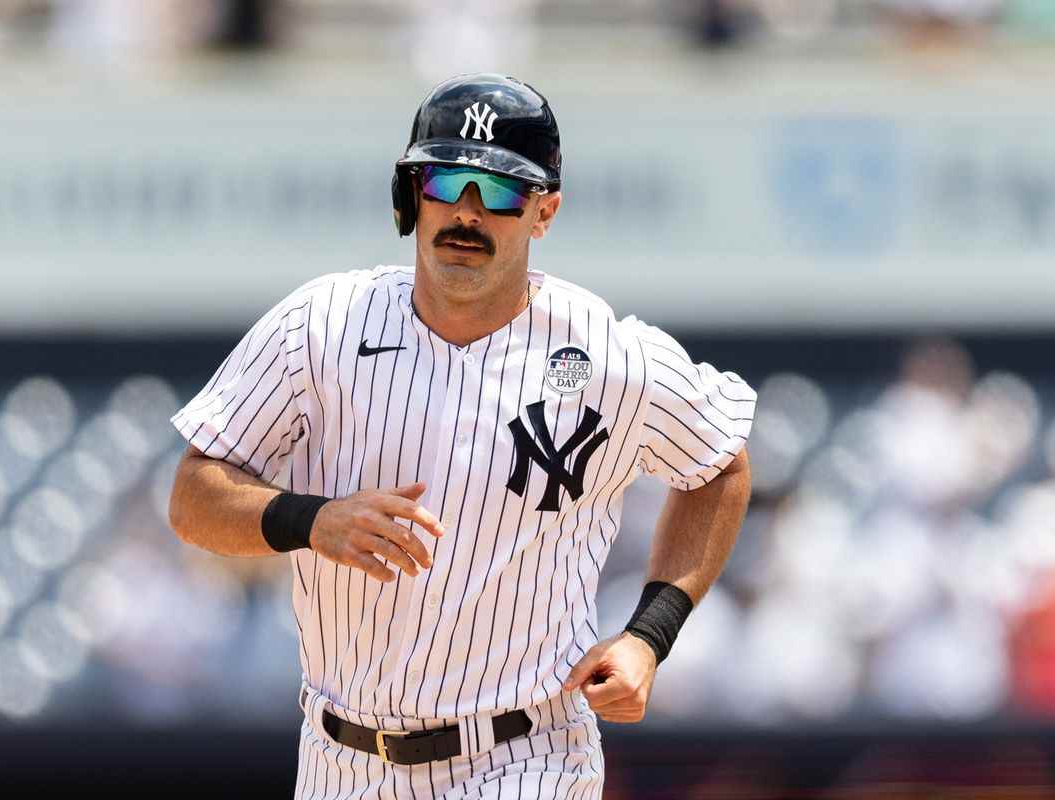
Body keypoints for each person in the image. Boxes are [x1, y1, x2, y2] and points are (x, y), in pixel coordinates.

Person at [167, 73, 756, 799]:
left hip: (522, 753)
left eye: (502, 193)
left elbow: (720, 466)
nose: (469, 214)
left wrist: (649, 635)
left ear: (545, 213)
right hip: (339, 757)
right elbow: (194, 498)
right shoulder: (319, 327)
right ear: (412, 194)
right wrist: (310, 519)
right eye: (448, 182)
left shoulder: (607, 356)